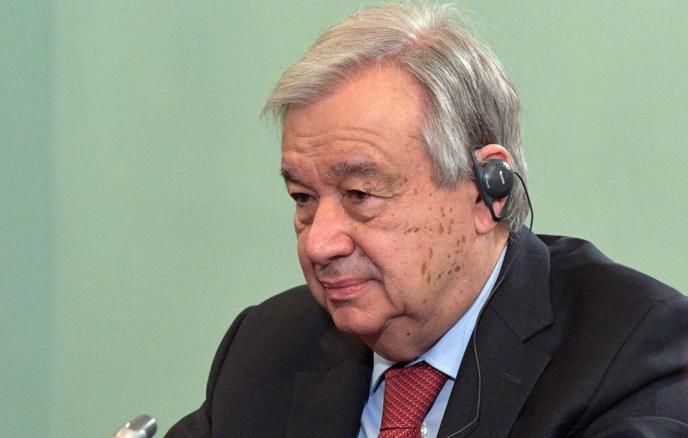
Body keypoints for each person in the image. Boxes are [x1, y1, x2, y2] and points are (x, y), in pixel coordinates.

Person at [166, 3, 688, 437]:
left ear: (487, 191)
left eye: (360, 194)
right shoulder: (267, 347)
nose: (318, 244)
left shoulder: (630, 351)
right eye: (302, 198)